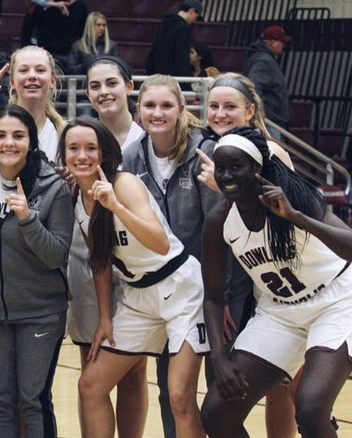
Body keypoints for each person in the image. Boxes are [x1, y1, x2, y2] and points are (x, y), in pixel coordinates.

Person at [200, 126, 352, 438]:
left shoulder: (295, 197)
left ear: (257, 169)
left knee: (310, 408)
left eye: (236, 167)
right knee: (217, 413)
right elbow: (213, 297)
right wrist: (219, 357)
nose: (226, 175)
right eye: (221, 167)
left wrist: (296, 216)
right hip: (280, 311)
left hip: (336, 301)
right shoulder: (219, 220)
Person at [70, 117, 208, 438]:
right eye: (73, 148)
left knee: (179, 396)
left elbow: (159, 243)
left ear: (104, 153)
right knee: (91, 385)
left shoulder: (125, 183)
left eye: (91, 148)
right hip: (137, 297)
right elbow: (101, 261)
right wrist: (105, 317)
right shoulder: (79, 199)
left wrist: (116, 206)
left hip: (179, 289)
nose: (82, 155)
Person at [198, 72, 301, 438]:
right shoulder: (208, 149)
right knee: (228, 394)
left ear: (251, 110)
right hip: (234, 284)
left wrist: (226, 193)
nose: (221, 114)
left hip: (280, 286)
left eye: (230, 107)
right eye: (214, 106)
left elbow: (287, 221)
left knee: (281, 389)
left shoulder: (272, 153)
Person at [121, 74, 220, 438]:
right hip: (162, 289)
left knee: (216, 389)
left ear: (182, 109)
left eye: (166, 106)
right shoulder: (132, 155)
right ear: (138, 110)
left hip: (204, 285)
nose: (157, 113)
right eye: (149, 106)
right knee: (170, 390)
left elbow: (216, 228)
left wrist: (216, 295)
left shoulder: (201, 151)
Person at [0, 105, 73, 438]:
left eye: (18, 135)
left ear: (32, 141)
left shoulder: (53, 186)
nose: (8, 143)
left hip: (41, 313)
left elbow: (56, 255)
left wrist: (29, 220)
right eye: (0, 135)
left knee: (33, 400)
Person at [66, 55, 148, 438]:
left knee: (135, 373)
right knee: (92, 366)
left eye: (111, 82)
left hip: (140, 270)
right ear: (86, 93)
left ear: (129, 86)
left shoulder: (149, 139)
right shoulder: (80, 140)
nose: (104, 91)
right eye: (95, 85)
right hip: (92, 265)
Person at [242, 25, 292, 135]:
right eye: (282, 42)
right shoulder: (264, 61)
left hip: (267, 118)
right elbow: (253, 83)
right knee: (271, 149)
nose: (283, 45)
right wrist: (259, 107)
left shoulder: (257, 57)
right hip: (268, 120)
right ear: (274, 42)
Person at [146, 0, 202, 77]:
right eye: (197, 17)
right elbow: (181, 57)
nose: (195, 21)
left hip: (157, 75)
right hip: (173, 78)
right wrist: (186, 80)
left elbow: (153, 52)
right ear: (192, 11)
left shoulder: (164, 25)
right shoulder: (184, 29)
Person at [30, 0, 86, 73]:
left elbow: (83, 31)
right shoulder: (42, 6)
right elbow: (28, 29)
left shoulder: (80, 6)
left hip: (72, 54)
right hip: (49, 53)